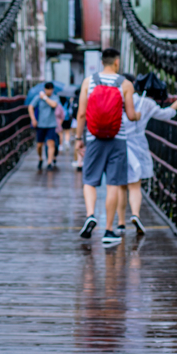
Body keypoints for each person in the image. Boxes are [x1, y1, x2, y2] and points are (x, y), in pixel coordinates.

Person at [75, 48, 139, 245]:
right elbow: (130, 115)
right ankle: (109, 231)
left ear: (102, 62)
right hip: (117, 139)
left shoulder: (89, 81)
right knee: (113, 184)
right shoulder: (126, 84)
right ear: (117, 62)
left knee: (89, 180)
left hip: (94, 138)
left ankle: (90, 214)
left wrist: (79, 138)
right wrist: (138, 115)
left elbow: (81, 114)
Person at [116, 79, 177, 235]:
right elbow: (166, 114)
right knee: (135, 186)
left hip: (119, 145)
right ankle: (135, 214)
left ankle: (120, 223)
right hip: (138, 146)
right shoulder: (147, 103)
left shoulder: (118, 99)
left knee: (121, 187)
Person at [29, 82, 59, 170]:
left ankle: (49, 162)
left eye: (50, 89)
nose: (49, 91)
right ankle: (40, 158)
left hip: (51, 124)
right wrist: (33, 119)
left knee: (51, 143)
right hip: (40, 124)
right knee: (39, 145)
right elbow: (30, 106)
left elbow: (54, 104)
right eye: (47, 89)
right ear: (44, 89)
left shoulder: (54, 97)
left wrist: (45, 98)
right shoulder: (38, 98)